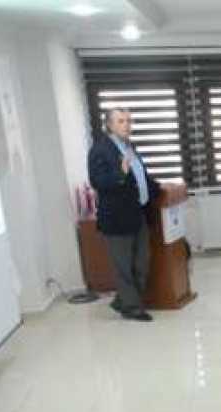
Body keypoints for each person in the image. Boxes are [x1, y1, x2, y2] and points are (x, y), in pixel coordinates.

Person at [87, 108, 161, 321]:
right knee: (124, 267)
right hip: (117, 218)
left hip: (138, 214)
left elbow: (140, 177)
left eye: (129, 121)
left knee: (142, 263)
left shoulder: (129, 146)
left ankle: (123, 300)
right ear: (109, 125)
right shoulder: (99, 150)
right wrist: (121, 173)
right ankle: (131, 308)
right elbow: (98, 182)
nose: (127, 125)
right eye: (121, 121)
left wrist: (159, 188)